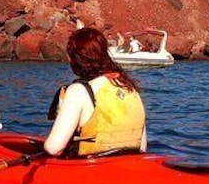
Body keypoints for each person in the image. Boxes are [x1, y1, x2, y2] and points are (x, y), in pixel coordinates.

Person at [44, 27, 147, 157]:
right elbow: (142, 147)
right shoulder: (130, 89)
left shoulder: (78, 91)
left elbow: (53, 148)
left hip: (89, 170)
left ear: (76, 60)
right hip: (128, 167)